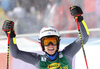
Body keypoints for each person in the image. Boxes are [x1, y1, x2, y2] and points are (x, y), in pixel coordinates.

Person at [2, 6, 89, 69]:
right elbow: (15, 54)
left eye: (53, 41)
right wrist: (10, 34)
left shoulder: (67, 54)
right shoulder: (38, 60)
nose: (50, 45)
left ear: (58, 43)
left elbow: (84, 38)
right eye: (47, 42)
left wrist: (79, 18)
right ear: (42, 45)